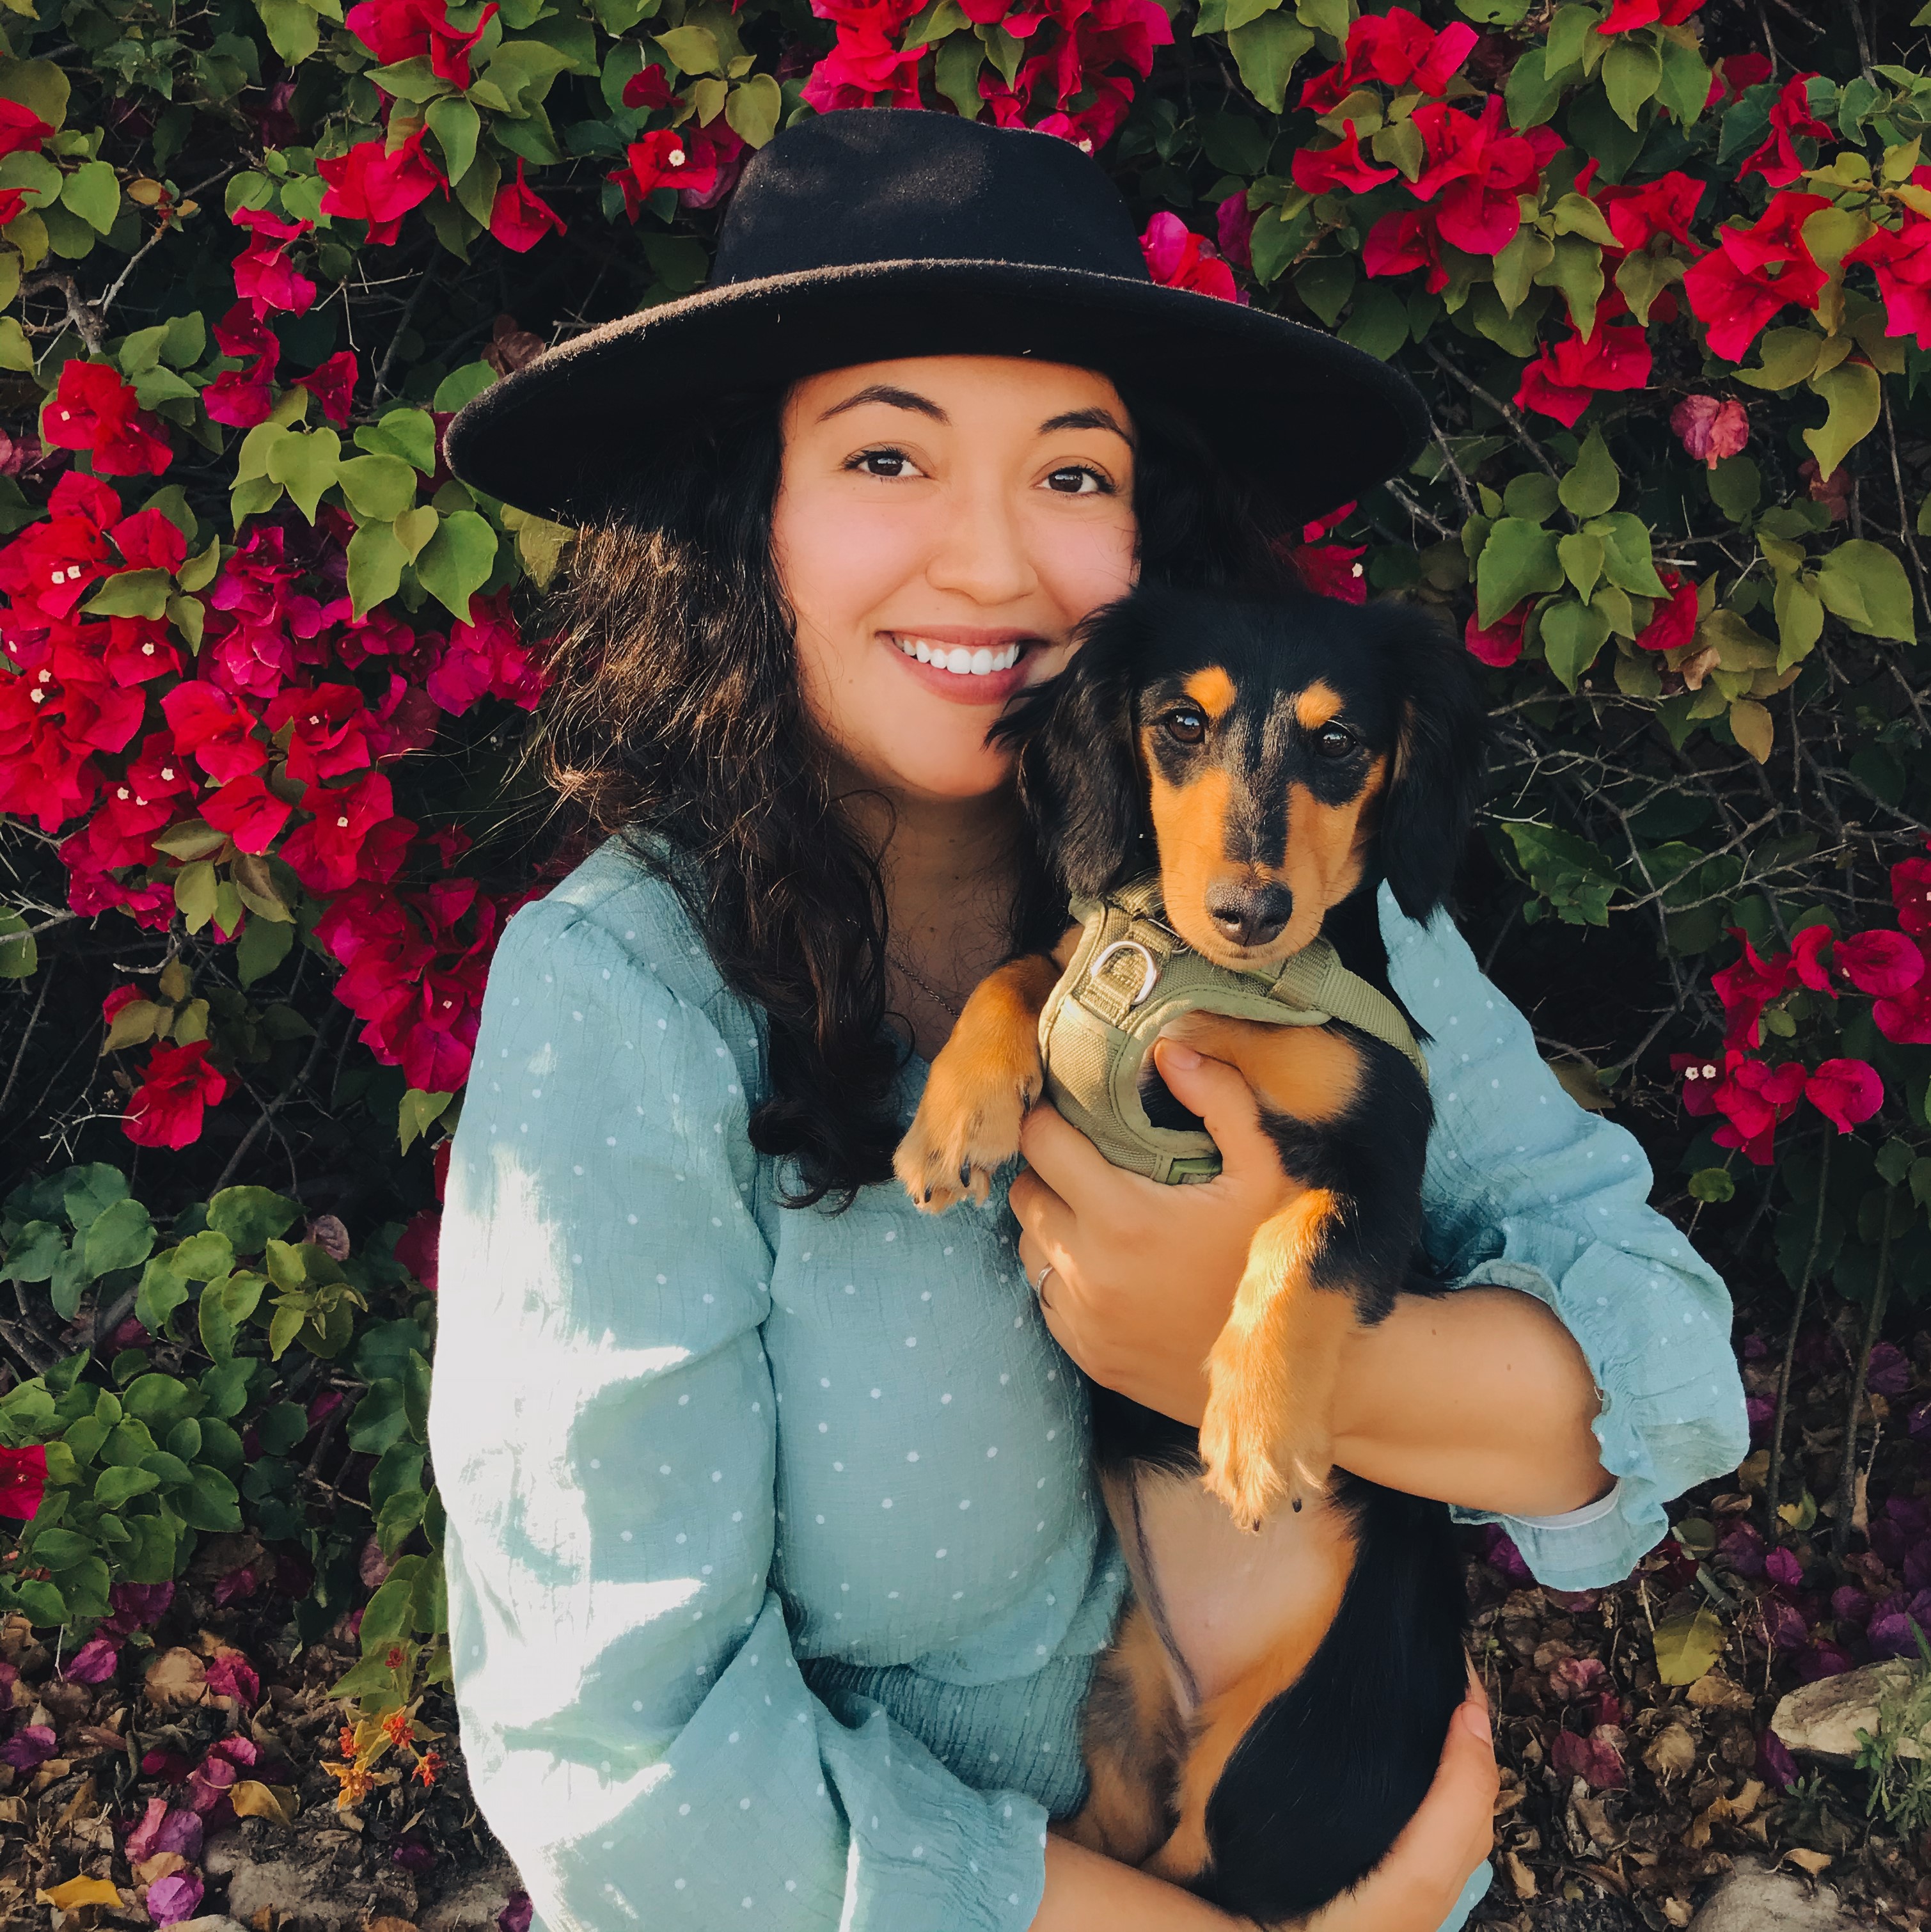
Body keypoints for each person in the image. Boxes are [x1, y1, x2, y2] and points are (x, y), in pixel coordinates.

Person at [429, 109, 1749, 1932]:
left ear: (1149, 526)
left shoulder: (1295, 886)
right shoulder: (625, 1004)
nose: (987, 565)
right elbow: (623, 1765)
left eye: (1069, 474)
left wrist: (1263, 1336)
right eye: (887, 454)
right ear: (754, 512)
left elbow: (1658, 1366)